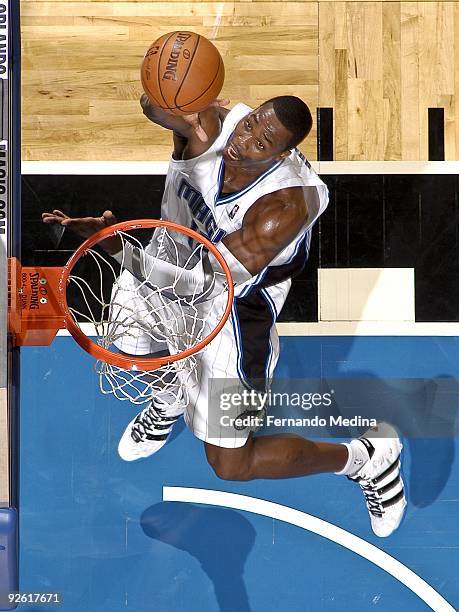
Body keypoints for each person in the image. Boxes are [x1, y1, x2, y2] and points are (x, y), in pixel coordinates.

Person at [43, 94, 406, 537]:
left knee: (230, 464)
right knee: (133, 341)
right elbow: (151, 103)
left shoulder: (283, 208)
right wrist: (173, 93)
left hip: (230, 314)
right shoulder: (212, 126)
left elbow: (199, 285)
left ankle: (366, 460)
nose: (245, 139)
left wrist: (116, 244)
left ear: (283, 154)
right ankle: (172, 398)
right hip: (162, 262)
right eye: (250, 123)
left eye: (262, 141)